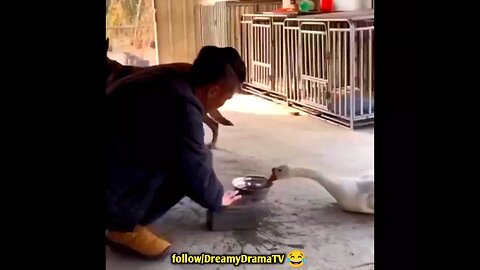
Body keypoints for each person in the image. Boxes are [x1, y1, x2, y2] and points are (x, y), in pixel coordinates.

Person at [106, 46, 246, 259]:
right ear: (213, 91)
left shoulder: (179, 74)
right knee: (183, 170)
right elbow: (196, 168)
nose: (222, 104)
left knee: (175, 156)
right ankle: (122, 227)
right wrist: (219, 198)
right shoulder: (183, 106)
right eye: (225, 99)